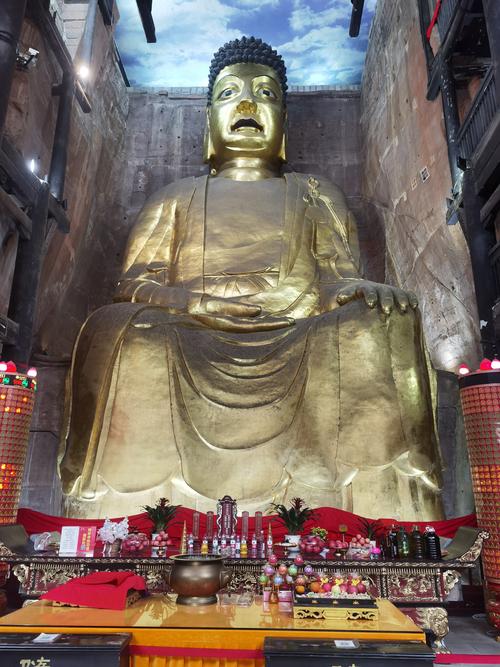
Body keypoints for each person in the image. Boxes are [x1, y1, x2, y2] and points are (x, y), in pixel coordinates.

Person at [59, 37, 443, 520]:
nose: (246, 105)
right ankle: (125, 517)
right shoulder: (175, 197)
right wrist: (194, 304)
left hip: (297, 328)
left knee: (381, 322)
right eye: (229, 94)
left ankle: (383, 516)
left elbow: (337, 280)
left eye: (264, 93)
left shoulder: (314, 193)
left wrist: (357, 291)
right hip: (190, 329)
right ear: (208, 122)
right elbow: (133, 285)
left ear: (284, 121)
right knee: (115, 328)